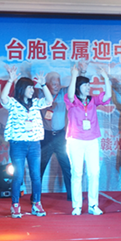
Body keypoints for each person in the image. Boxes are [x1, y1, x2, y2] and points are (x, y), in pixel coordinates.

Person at [1, 66, 52, 218]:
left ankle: (37, 203)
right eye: (29, 87)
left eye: (32, 87)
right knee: (18, 175)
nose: (32, 90)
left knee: (36, 175)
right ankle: (15, 205)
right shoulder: (13, 103)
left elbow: (49, 101)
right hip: (18, 144)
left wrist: (43, 85)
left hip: (34, 144)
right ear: (22, 89)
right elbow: (3, 99)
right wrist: (10, 80)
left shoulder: (35, 103)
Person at [65, 64, 112, 216]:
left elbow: (107, 96)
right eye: (85, 85)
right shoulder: (71, 100)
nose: (88, 87)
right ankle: (77, 206)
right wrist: (74, 75)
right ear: (78, 87)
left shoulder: (92, 100)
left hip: (92, 140)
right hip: (75, 140)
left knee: (94, 172)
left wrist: (105, 78)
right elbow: (70, 95)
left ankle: (93, 205)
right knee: (77, 173)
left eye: (88, 85)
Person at [39, 66, 87, 202]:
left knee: (67, 166)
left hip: (60, 136)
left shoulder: (64, 92)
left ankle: (73, 195)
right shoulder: (41, 93)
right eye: (53, 83)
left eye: (58, 83)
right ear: (47, 84)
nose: (56, 86)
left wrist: (81, 72)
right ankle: (36, 197)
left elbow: (75, 86)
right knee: (40, 166)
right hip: (45, 136)